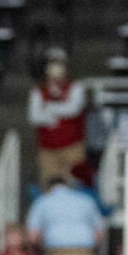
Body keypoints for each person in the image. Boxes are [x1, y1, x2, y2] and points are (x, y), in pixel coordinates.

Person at [28, 48, 89, 188]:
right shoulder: (38, 91)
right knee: (50, 185)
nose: (56, 68)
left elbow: (73, 109)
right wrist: (52, 115)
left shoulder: (76, 87)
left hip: (72, 146)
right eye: (52, 64)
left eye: (59, 64)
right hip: (47, 148)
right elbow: (34, 117)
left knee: (75, 185)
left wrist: (49, 108)